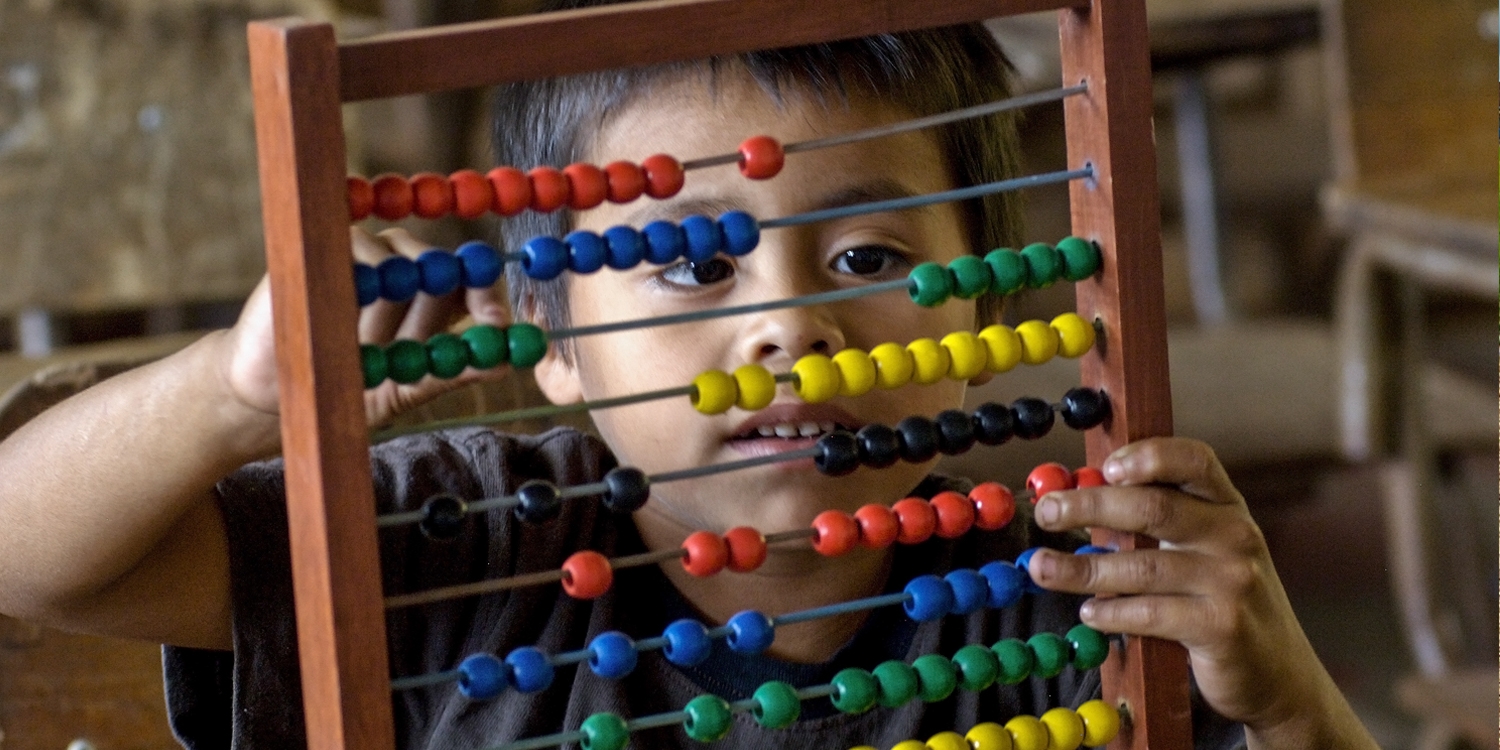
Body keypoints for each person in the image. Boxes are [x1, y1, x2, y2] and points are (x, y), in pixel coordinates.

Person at [0, 4, 1379, 750]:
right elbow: (25, 553)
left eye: (867, 248)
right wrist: (240, 392)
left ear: (993, 296)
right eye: (692, 265)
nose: (789, 324)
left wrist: (1295, 704)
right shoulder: (458, 545)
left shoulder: (1084, 599)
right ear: (552, 333)